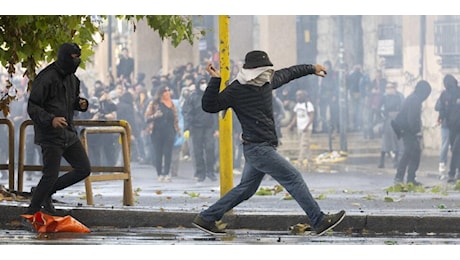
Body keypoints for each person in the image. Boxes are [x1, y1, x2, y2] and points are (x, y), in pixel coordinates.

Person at [192, 50, 345, 236]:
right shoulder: (237, 89)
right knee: (293, 178)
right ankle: (319, 220)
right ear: (253, 71)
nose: (267, 73)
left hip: (258, 147)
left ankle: (207, 218)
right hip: (258, 148)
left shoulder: (266, 81)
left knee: (246, 189)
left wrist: (312, 68)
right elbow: (210, 106)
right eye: (263, 70)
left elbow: (289, 73)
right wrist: (215, 80)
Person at [25, 43, 91, 216]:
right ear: (64, 57)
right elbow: (33, 107)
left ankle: (44, 192)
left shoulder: (73, 79)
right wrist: (51, 120)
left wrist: (80, 104)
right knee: (50, 175)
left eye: (79, 57)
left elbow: (71, 101)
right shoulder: (46, 77)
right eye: (73, 57)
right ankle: (32, 212)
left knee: (83, 168)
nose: (76, 61)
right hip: (50, 136)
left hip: (68, 133)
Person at [391, 80, 432, 186]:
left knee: (413, 153)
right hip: (407, 130)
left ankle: (410, 178)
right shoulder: (415, 100)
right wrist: (417, 132)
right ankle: (400, 177)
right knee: (409, 153)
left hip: (406, 129)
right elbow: (412, 119)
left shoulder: (413, 98)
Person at [182, 78, 219, 183]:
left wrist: (216, 128)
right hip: (196, 128)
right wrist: (187, 128)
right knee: (197, 151)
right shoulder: (192, 97)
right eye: (201, 83)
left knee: (210, 149)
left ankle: (210, 172)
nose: (204, 85)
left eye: (205, 82)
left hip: (209, 127)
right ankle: (200, 173)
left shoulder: (211, 96)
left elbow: (215, 114)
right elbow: (187, 113)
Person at [144, 85, 180, 182]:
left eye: (168, 90)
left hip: (169, 131)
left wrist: (178, 130)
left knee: (168, 153)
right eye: (165, 91)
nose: (167, 93)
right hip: (157, 131)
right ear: (160, 93)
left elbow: (176, 119)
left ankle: (166, 174)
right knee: (158, 153)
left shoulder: (172, 104)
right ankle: (159, 173)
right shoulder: (154, 104)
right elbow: (146, 118)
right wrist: (155, 116)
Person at [436, 74, 460, 184]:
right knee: (454, 149)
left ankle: (452, 172)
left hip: (457, 125)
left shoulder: (458, 92)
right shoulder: (445, 94)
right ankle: (455, 172)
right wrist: (441, 117)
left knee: (456, 148)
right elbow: (441, 107)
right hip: (451, 126)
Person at [378, 82, 404, 169]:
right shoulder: (384, 98)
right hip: (387, 121)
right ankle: (381, 161)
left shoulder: (399, 97)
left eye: (390, 87)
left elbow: (402, 108)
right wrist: (384, 115)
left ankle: (395, 161)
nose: (389, 89)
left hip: (396, 121)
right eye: (387, 87)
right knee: (385, 141)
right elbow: (379, 108)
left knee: (395, 141)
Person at [287, 89, 315, 169]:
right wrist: (291, 125)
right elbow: (296, 116)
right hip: (300, 128)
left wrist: (306, 127)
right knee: (306, 145)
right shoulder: (297, 105)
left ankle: (300, 161)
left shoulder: (308, 105)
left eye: (299, 95)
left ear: (304, 96)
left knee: (303, 145)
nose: (297, 97)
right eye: (296, 95)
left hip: (306, 129)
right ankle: (310, 160)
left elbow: (311, 117)